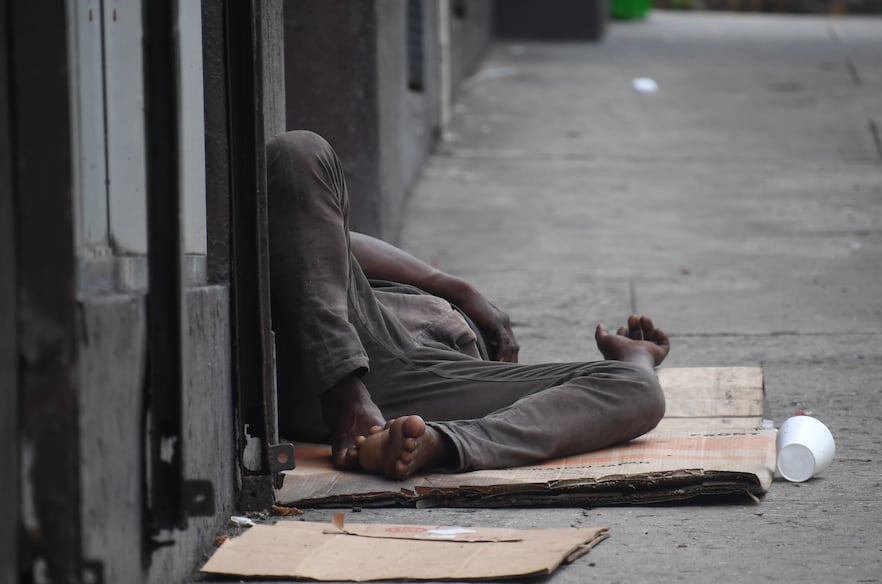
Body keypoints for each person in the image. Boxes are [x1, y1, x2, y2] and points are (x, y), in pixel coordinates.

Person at [267, 130, 670, 481]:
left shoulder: (453, 374)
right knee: (298, 152)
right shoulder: (391, 295)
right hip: (332, 341)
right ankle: (345, 398)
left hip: (415, 392)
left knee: (635, 386)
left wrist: (633, 361)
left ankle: (437, 444)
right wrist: (458, 290)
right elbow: (327, 235)